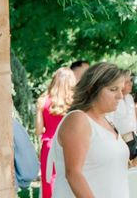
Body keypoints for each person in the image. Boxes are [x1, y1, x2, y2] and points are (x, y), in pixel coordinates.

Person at [50, 62, 129, 197]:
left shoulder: (108, 121)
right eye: (113, 89)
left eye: (121, 90)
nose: (120, 96)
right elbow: (73, 173)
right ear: (92, 88)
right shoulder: (78, 120)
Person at [36, 67, 76, 198]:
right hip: (70, 144)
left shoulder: (43, 101)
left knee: (49, 180)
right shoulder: (75, 103)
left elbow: (38, 129)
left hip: (49, 145)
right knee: (73, 177)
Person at [109, 69, 137, 160]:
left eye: (131, 81)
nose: (131, 84)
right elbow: (110, 121)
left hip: (134, 138)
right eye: (127, 81)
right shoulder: (113, 99)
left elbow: (133, 118)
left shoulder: (129, 98)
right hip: (121, 141)